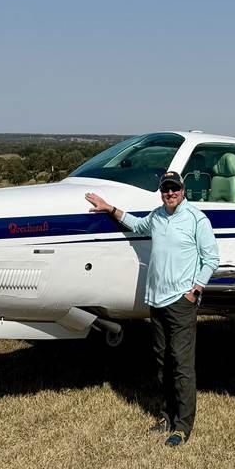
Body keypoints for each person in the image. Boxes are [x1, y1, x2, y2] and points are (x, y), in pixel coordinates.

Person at [84, 171, 219, 447]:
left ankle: (182, 426)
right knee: (162, 363)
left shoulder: (196, 219)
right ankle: (166, 416)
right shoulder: (157, 216)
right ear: (161, 192)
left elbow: (211, 258)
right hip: (156, 301)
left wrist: (195, 290)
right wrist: (109, 208)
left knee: (181, 365)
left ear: (183, 190)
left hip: (181, 303)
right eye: (166, 189)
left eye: (175, 188)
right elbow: (136, 224)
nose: (170, 193)